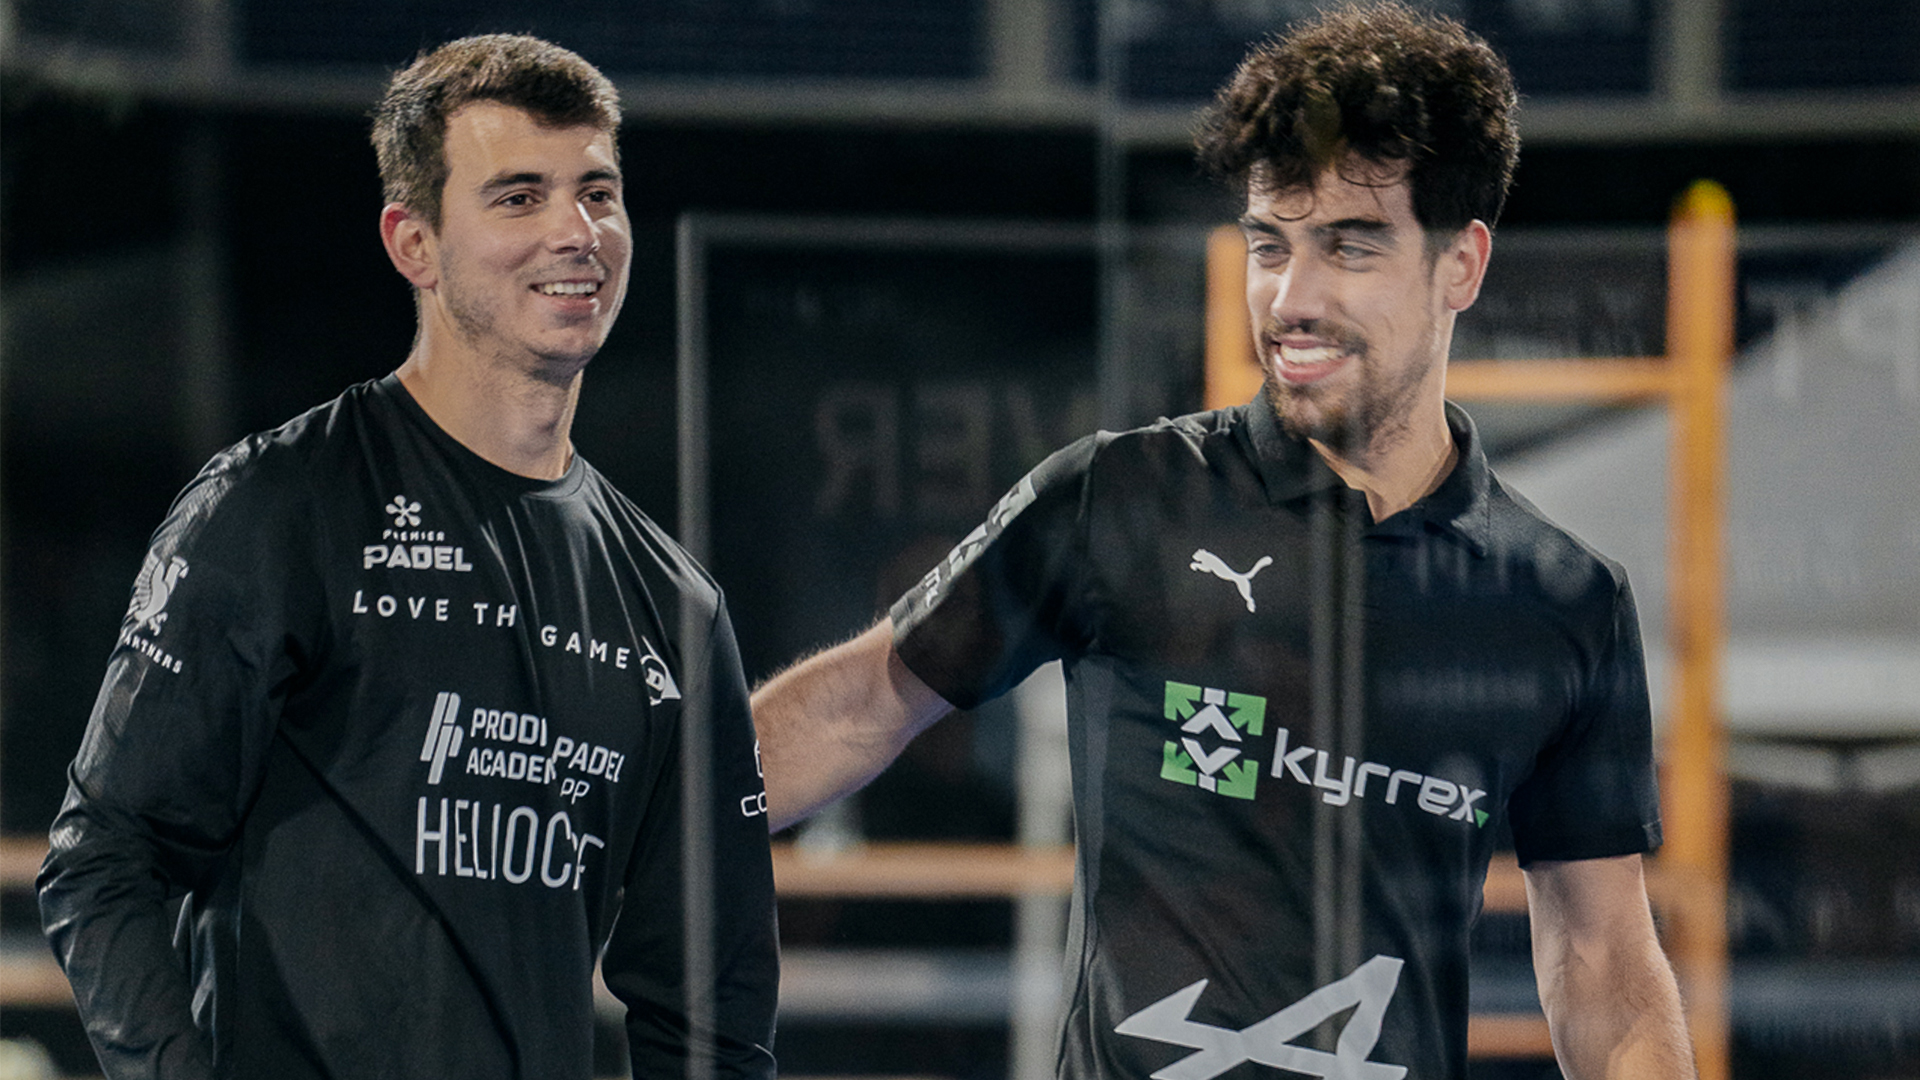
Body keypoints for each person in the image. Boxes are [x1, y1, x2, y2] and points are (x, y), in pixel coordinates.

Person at [752, 4, 1696, 1078]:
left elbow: (1605, 964)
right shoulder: (1119, 498)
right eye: (1268, 245)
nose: (1292, 298)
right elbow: (862, 703)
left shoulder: (1563, 601)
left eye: (1349, 245)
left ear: (1460, 265)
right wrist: (632, 827)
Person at [38, 34, 778, 1080]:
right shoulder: (279, 508)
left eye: (597, 194)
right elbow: (104, 862)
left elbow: (712, 1016)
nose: (576, 232)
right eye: (518, 197)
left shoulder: (674, 608)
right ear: (413, 243)